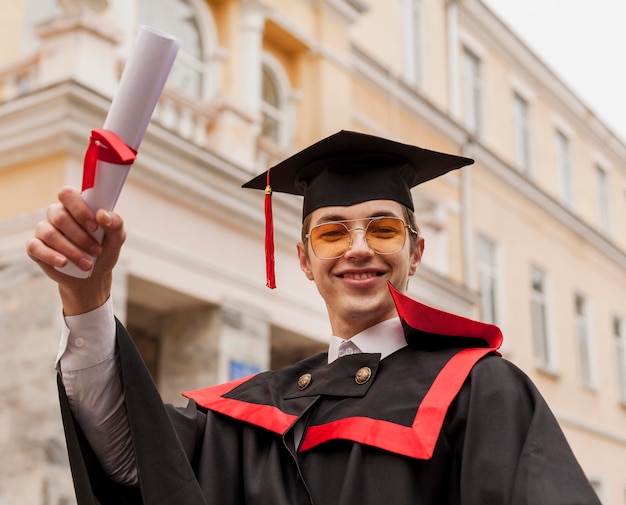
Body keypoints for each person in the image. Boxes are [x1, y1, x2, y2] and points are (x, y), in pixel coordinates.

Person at [27, 130, 601, 504]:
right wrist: (89, 297)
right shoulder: (254, 413)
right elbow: (134, 457)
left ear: (415, 253)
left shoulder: (479, 391)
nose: (358, 248)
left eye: (383, 228)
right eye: (331, 232)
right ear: (304, 259)